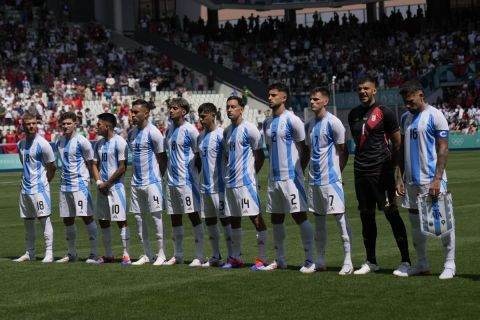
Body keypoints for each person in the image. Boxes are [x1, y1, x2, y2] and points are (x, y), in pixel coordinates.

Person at [347, 76, 411, 275]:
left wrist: (397, 174)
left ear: (375, 90)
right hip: (360, 173)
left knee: (391, 215)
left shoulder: (385, 112)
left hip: (381, 174)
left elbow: (398, 145)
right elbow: (359, 143)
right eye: (359, 88)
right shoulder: (353, 114)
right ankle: (371, 261)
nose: (362, 91)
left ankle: (406, 261)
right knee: (366, 217)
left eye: (366, 88)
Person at [396, 80, 456, 279]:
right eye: (405, 101)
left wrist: (437, 178)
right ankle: (422, 264)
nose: (407, 105)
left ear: (420, 95)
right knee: (415, 224)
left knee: (442, 222)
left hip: (431, 180)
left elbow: (443, 148)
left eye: (410, 100)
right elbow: (401, 149)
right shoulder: (405, 118)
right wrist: (400, 177)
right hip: (412, 181)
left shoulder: (435, 115)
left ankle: (449, 264)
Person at [261, 83, 314, 273]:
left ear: (284, 98)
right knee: (276, 218)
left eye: (274, 95)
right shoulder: (266, 122)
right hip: (273, 178)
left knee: (299, 216)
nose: (270, 98)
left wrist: (299, 170)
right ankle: (280, 259)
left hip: (291, 177)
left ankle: (309, 260)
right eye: (269, 95)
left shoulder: (293, 120)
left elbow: (305, 149)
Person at [305, 87, 353, 275]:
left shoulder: (334, 123)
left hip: (331, 180)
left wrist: (337, 174)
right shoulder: (309, 125)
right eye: (311, 99)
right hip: (314, 181)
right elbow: (309, 151)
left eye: (316, 99)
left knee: (340, 218)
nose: (312, 102)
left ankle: (348, 260)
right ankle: (321, 259)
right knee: (319, 221)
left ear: (325, 101)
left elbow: (344, 151)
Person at [222, 96, 268, 269]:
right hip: (230, 182)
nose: (229, 110)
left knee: (255, 217)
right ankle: (236, 257)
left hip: (246, 182)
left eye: (233, 106)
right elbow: (227, 156)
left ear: (241, 109)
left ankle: (262, 258)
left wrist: (251, 174)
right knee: (234, 219)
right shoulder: (226, 131)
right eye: (228, 107)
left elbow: (260, 155)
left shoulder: (250, 129)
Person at [163, 97, 204, 266]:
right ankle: (177, 254)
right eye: (170, 108)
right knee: (175, 217)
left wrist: (194, 175)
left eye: (174, 108)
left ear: (184, 111)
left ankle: (200, 255)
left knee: (193, 215)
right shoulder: (169, 130)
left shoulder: (191, 130)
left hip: (187, 181)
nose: (171, 110)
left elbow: (199, 155)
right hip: (171, 180)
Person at [127, 99, 168, 265]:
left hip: (152, 182)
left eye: (136, 112)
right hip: (136, 182)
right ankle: (146, 254)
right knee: (139, 219)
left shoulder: (154, 132)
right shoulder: (131, 133)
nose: (133, 115)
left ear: (146, 113)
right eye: (132, 112)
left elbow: (162, 158)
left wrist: (159, 177)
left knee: (156, 217)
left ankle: (162, 253)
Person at [55, 111, 98, 263]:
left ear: (75, 123)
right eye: (64, 123)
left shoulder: (82, 141)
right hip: (64, 185)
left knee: (86, 217)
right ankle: (71, 253)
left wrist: (93, 180)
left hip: (80, 185)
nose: (65, 126)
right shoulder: (59, 142)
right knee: (67, 219)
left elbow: (91, 162)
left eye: (68, 123)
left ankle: (94, 253)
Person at [13, 113, 56, 263]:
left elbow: (52, 166)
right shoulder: (20, 144)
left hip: (40, 189)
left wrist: (46, 181)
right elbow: (23, 163)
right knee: (28, 222)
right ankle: (29, 252)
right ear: (23, 126)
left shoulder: (43, 144)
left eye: (33, 123)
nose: (31, 126)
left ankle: (49, 253)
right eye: (28, 124)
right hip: (25, 189)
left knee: (44, 220)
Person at [91, 113, 131, 265]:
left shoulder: (120, 142)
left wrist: (107, 183)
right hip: (102, 187)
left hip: (116, 188)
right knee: (103, 220)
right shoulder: (98, 144)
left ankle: (126, 255)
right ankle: (108, 255)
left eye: (99, 124)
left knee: (121, 220)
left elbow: (122, 167)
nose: (97, 127)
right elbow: (94, 164)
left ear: (107, 126)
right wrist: (98, 182)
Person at [197, 102, 233, 267]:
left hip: (220, 187)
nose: (201, 120)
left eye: (204, 116)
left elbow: (230, 159)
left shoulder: (222, 134)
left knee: (225, 221)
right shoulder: (200, 136)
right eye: (200, 117)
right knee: (210, 221)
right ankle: (215, 256)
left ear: (213, 115)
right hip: (205, 187)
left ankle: (232, 256)